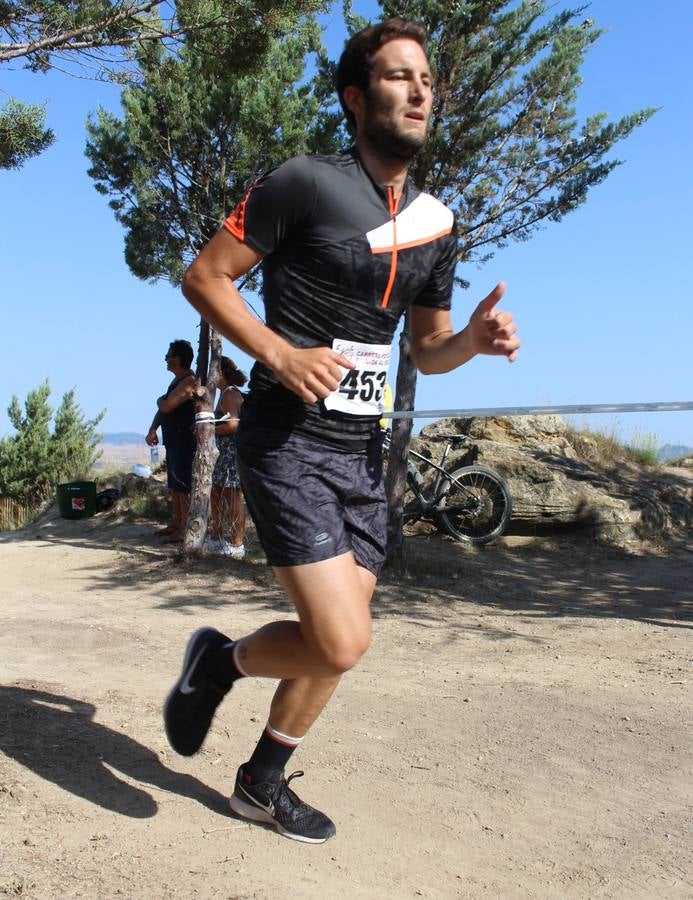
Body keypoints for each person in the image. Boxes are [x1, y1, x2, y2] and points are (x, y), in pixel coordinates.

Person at [165, 18, 520, 844]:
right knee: (342, 638)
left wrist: (470, 340)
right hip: (287, 437)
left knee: (333, 648)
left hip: (360, 450)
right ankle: (217, 665)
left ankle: (260, 778)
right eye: (399, 77)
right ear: (358, 98)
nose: (420, 90)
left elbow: (425, 351)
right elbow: (205, 278)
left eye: (426, 79)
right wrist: (280, 354)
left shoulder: (435, 221)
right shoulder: (303, 183)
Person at [146, 340, 197, 543]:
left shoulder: (188, 381)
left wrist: (159, 399)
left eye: (168, 355)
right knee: (175, 485)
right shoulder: (177, 381)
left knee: (183, 486)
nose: (165, 359)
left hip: (185, 441)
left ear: (177, 358)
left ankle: (184, 529)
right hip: (174, 440)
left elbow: (166, 406)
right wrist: (153, 428)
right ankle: (177, 523)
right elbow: (165, 408)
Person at [204, 356, 247, 559]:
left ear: (219, 373)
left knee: (232, 495)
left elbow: (233, 425)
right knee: (217, 492)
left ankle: (237, 543)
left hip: (233, 451)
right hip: (226, 452)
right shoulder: (224, 394)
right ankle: (217, 536)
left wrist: (208, 430)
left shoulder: (230, 394)